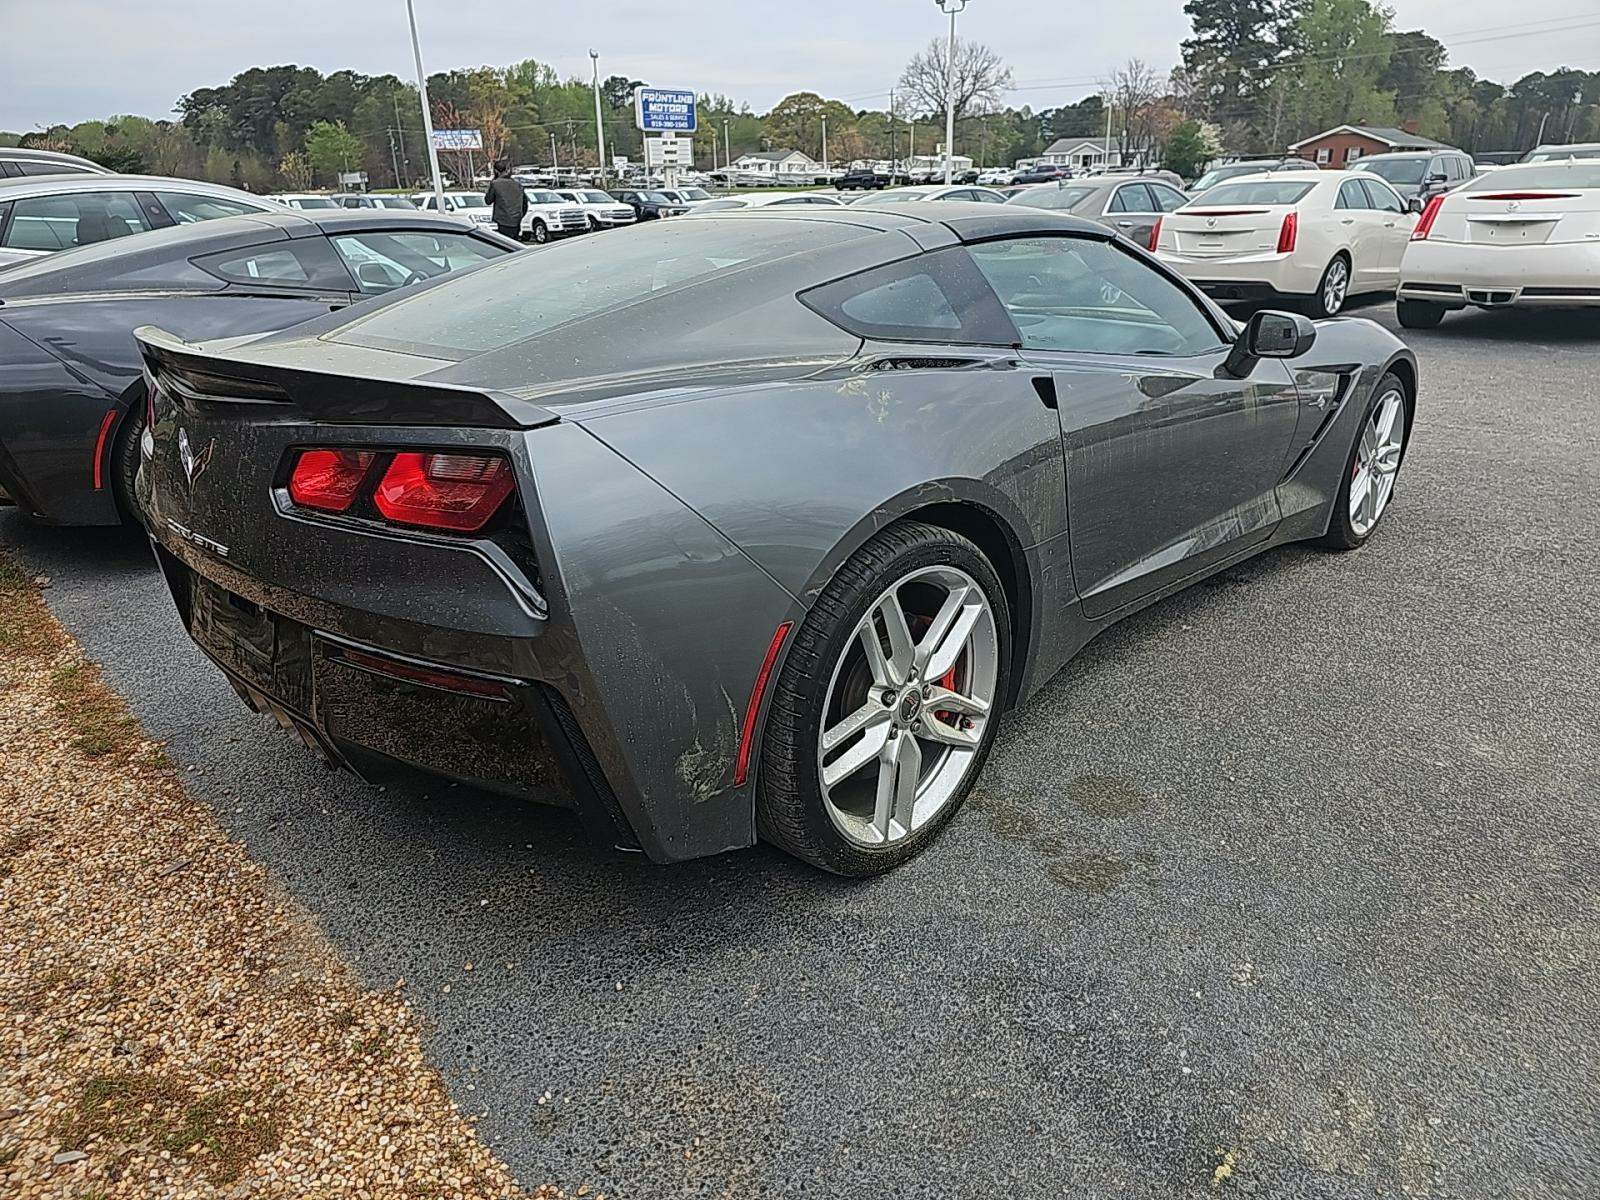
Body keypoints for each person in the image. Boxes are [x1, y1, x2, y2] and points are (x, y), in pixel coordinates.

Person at [484, 160, 527, 241]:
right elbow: (525, 204)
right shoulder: (517, 184)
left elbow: (488, 200)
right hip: (516, 221)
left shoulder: (495, 184)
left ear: (496, 171)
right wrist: (519, 216)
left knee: (504, 245)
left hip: (502, 221)